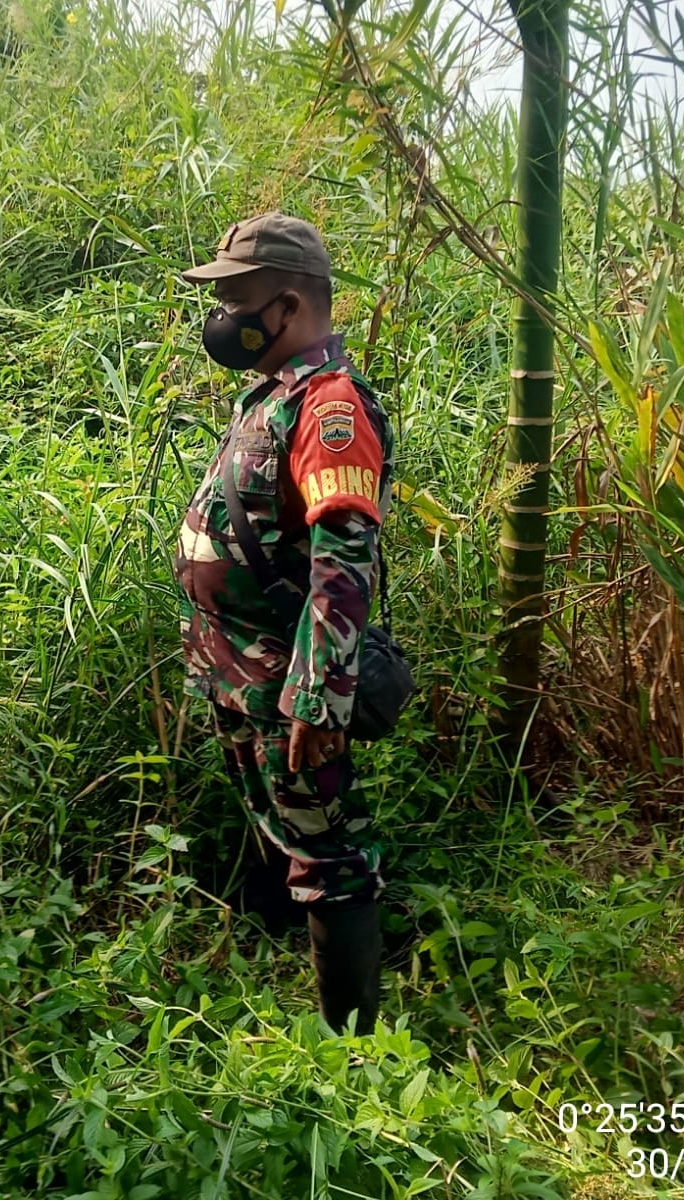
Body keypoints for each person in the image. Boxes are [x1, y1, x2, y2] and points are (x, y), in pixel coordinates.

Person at [176, 213, 393, 1034]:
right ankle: (289, 983)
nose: (222, 320)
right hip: (237, 670)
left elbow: (345, 567)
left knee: (330, 856)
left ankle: (352, 1047)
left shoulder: (332, 409)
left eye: (237, 303)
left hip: (285, 683)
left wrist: (318, 699)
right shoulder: (275, 394)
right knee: (282, 827)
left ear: (291, 306)